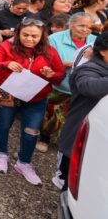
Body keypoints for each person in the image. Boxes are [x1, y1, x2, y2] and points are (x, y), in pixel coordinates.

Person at [0, 18, 66, 185]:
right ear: (18, 33)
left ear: (42, 36)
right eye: (25, 35)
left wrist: (51, 75)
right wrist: (6, 64)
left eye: (34, 36)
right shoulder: (6, 47)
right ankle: (2, 154)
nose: (29, 39)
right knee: (3, 124)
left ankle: (24, 162)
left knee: (32, 131)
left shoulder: (49, 51)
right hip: (8, 95)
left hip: (36, 99)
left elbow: (60, 76)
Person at [36, 12, 97, 152]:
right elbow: (43, 59)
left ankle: (66, 141)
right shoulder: (55, 39)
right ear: (71, 25)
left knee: (75, 116)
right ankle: (44, 137)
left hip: (82, 86)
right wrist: (64, 64)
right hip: (59, 84)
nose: (85, 30)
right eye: (81, 25)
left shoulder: (94, 41)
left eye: (89, 27)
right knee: (51, 112)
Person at [57, 32, 108, 190]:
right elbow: (90, 87)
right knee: (75, 184)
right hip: (82, 135)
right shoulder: (88, 69)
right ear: (104, 51)